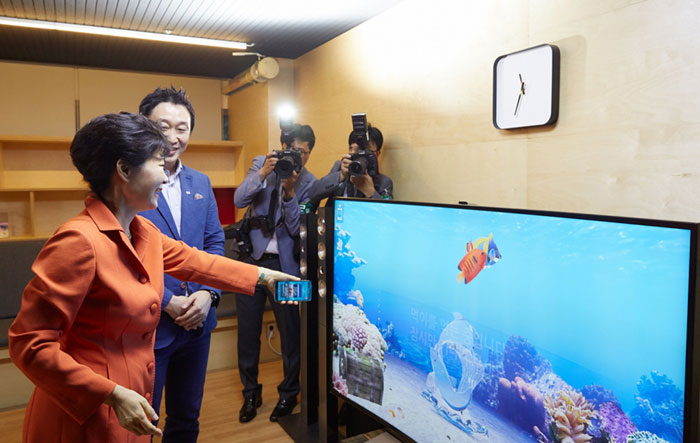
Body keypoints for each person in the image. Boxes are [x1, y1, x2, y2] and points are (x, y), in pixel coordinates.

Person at [8, 113, 296, 442]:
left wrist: (265, 277)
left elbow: (197, 262)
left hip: (129, 405)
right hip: (85, 413)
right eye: (158, 163)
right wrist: (111, 393)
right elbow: (28, 344)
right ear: (124, 170)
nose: (165, 175)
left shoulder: (142, 230)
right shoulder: (78, 241)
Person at [137, 87, 221, 442]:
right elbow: (123, 256)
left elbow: (214, 242)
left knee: (186, 418)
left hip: (198, 325)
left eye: (182, 128)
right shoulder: (129, 180)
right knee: (143, 423)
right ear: (144, 127)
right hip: (151, 325)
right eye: (163, 126)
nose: (173, 137)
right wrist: (169, 301)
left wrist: (208, 294)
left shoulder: (200, 181)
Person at [233, 123, 317, 423]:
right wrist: (263, 175)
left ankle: (288, 394)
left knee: (291, 333)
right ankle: (250, 393)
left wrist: (291, 193)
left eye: (304, 153)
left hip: (288, 269)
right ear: (282, 146)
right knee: (247, 333)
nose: (298, 158)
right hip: (251, 262)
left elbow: (297, 229)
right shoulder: (260, 162)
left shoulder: (311, 182)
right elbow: (239, 200)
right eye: (294, 150)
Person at [308, 125, 392, 201]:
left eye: (366, 151)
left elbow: (387, 215)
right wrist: (340, 176)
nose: (359, 155)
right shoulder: (339, 167)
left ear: (377, 154)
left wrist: (371, 193)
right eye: (354, 149)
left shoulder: (384, 182)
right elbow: (312, 193)